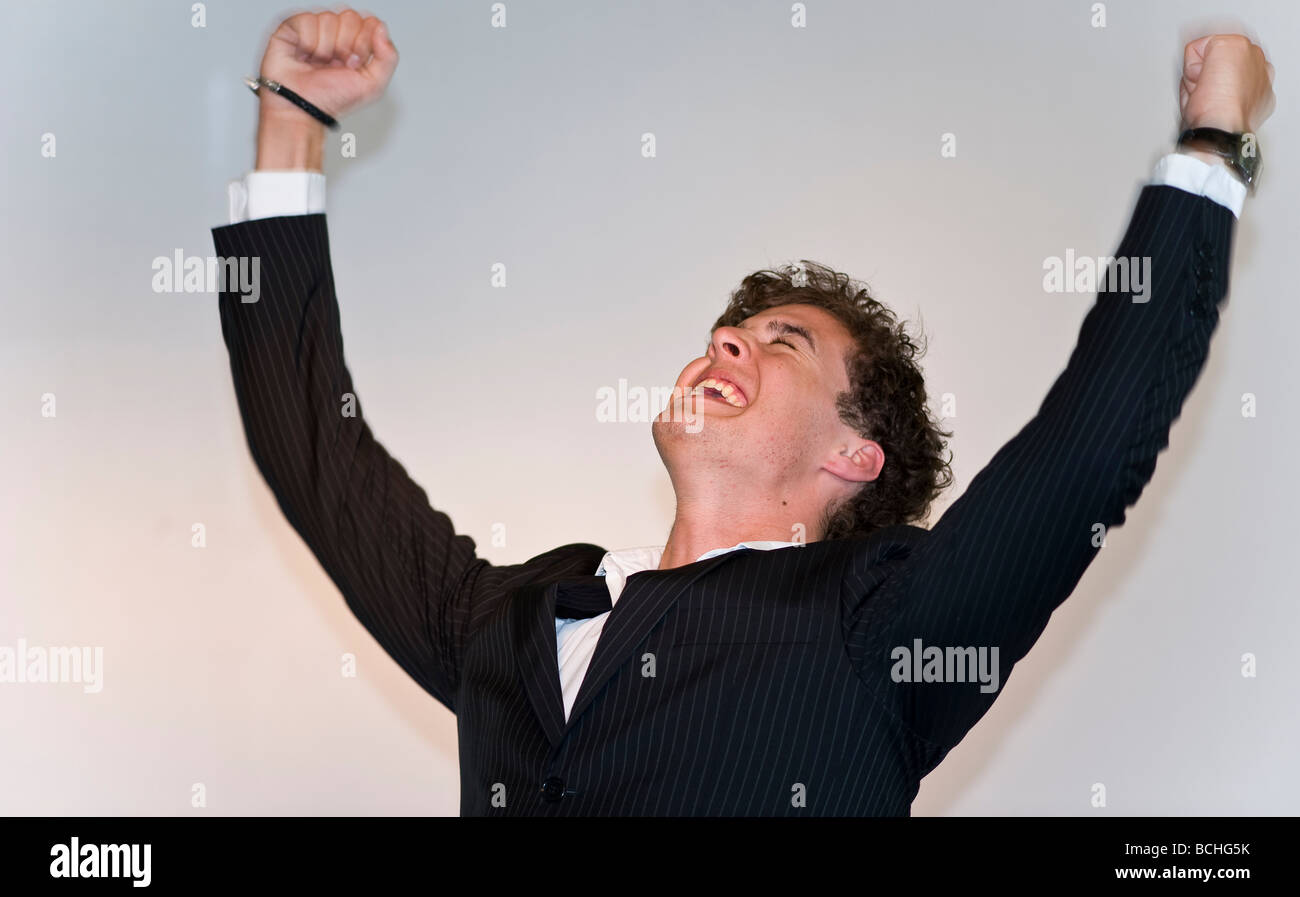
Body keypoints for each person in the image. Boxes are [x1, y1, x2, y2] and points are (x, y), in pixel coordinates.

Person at [212, 9, 1275, 815]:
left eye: (784, 342)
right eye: (732, 327)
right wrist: (289, 123)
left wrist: (1212, 145)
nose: (726, 339)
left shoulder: (883, 622)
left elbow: (1086, 451)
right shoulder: (510, 619)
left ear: (856, 454)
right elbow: (313, 447)